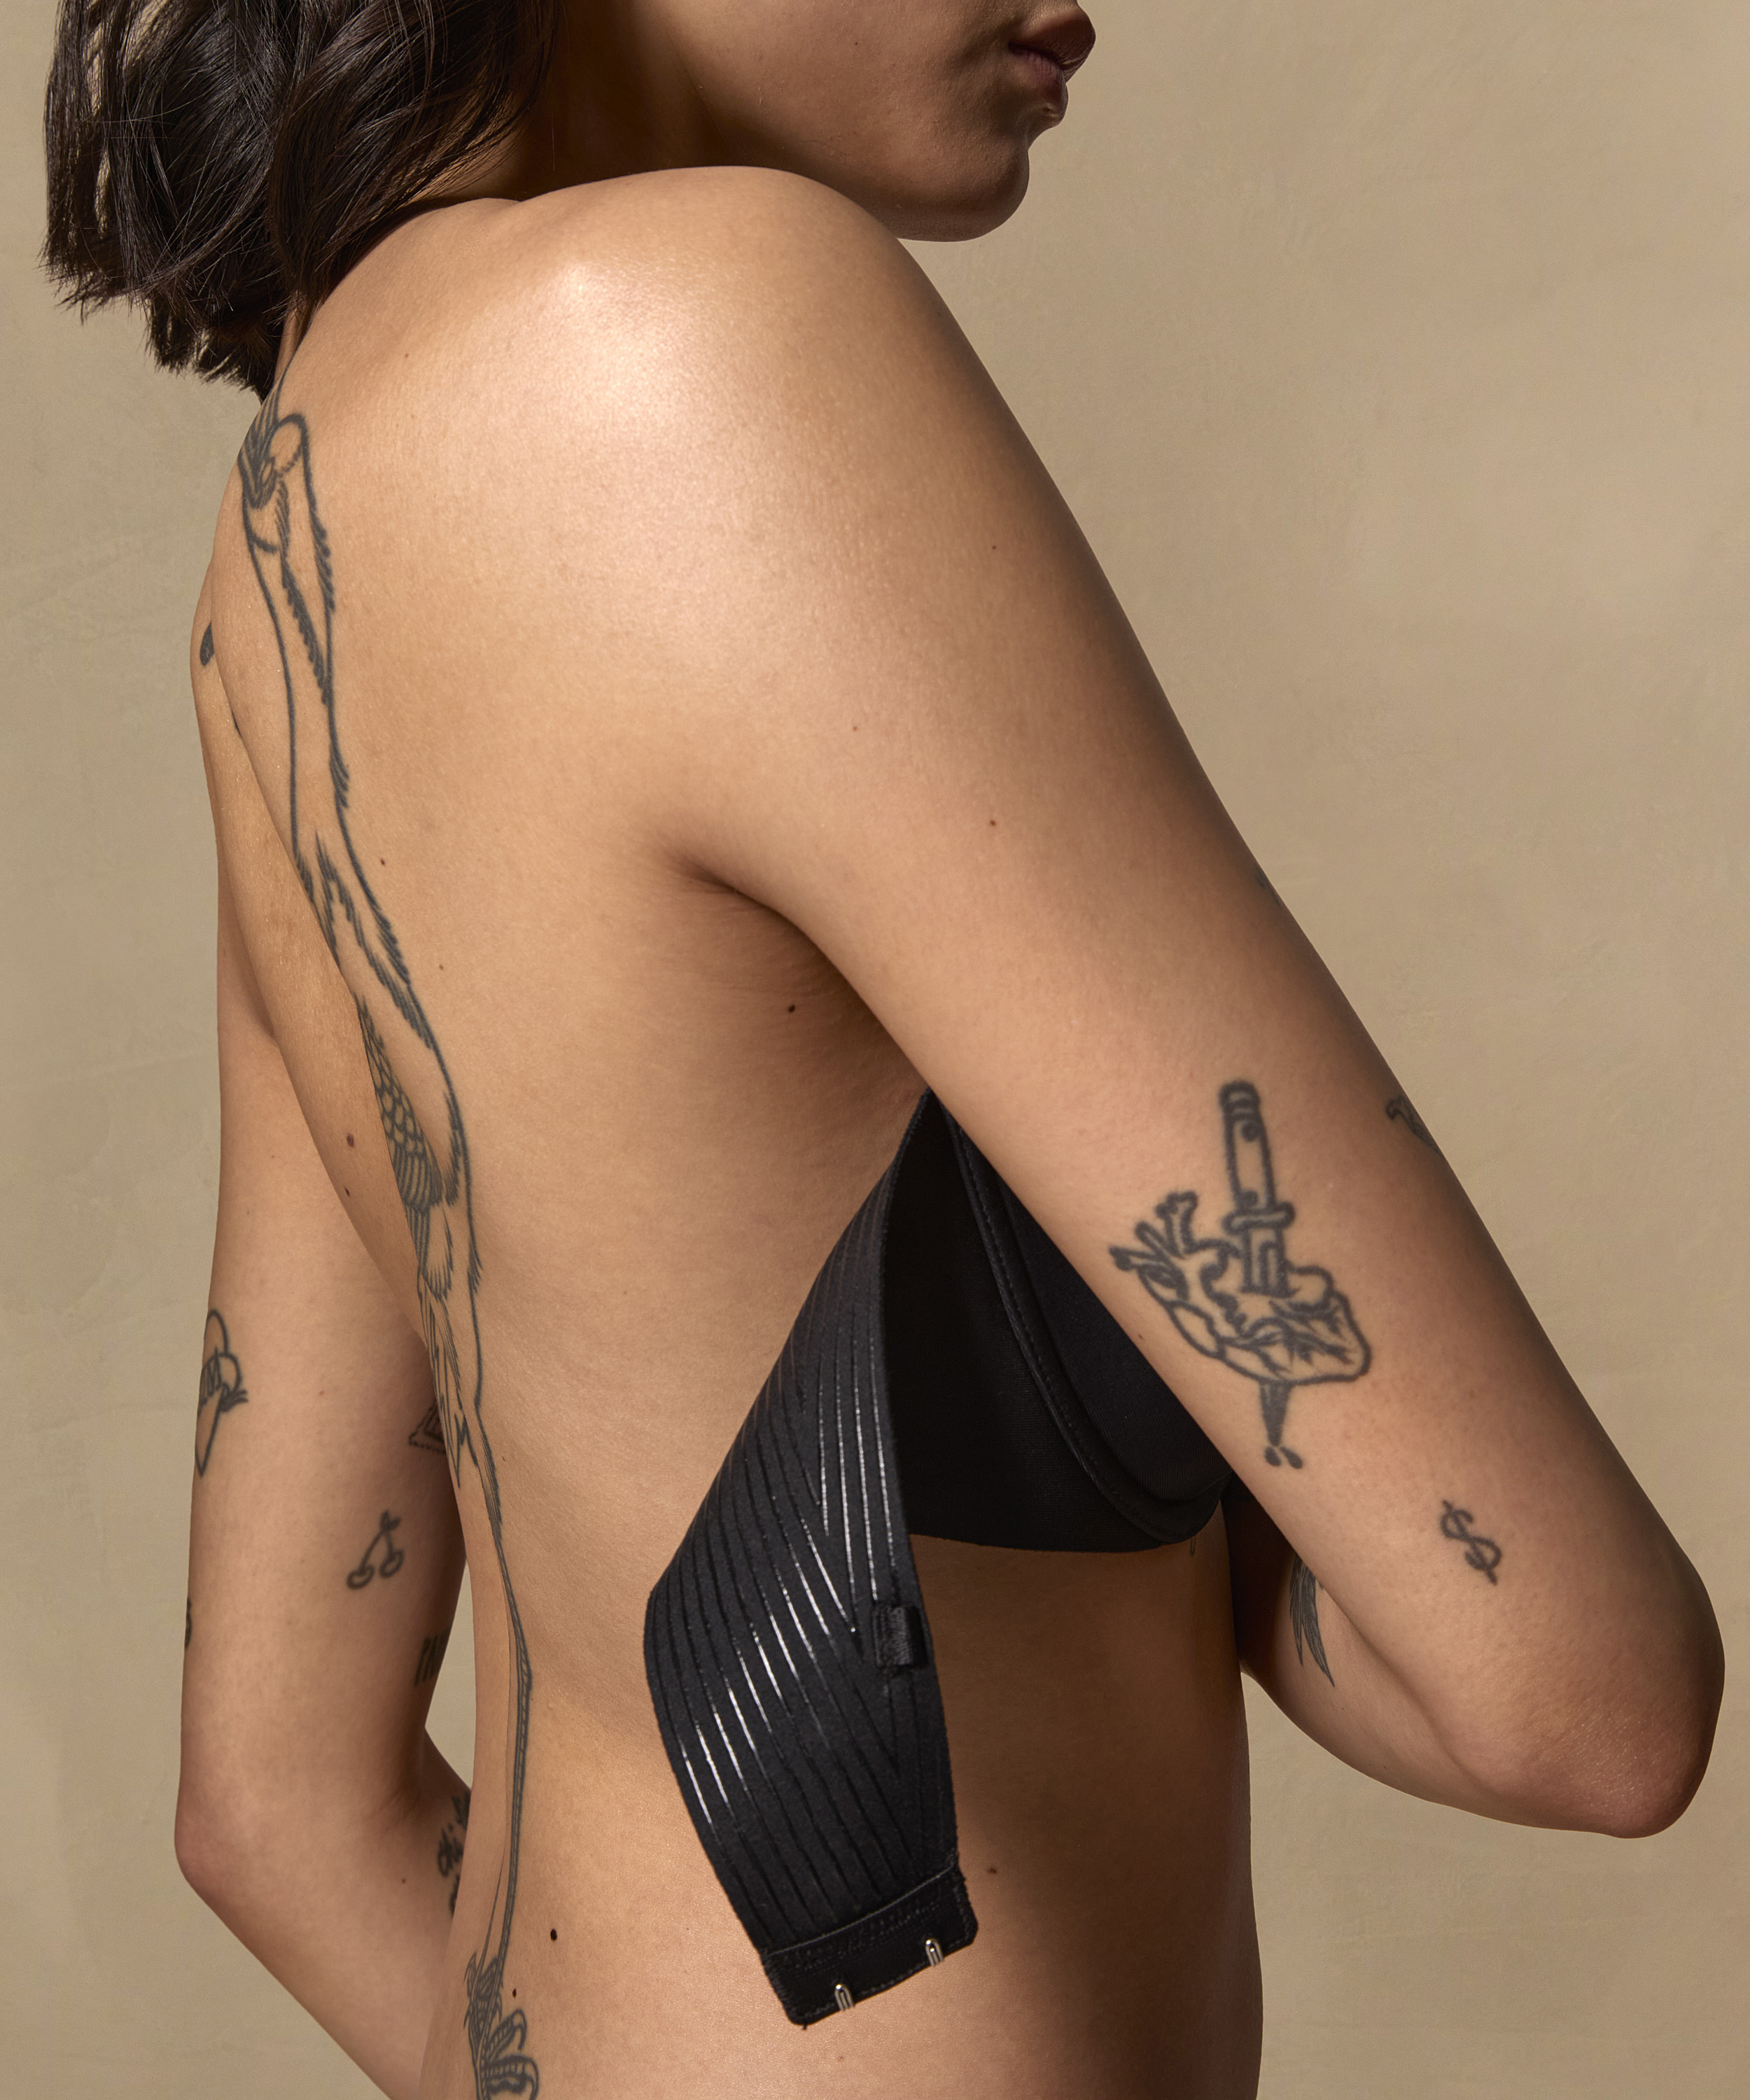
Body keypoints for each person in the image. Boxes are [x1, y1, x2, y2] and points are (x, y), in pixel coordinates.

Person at [43, 4, 1724, 2096]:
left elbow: (277, 1804)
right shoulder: (706, 337)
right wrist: (1133, 1424)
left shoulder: (289, 540)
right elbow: (1578, 1693)